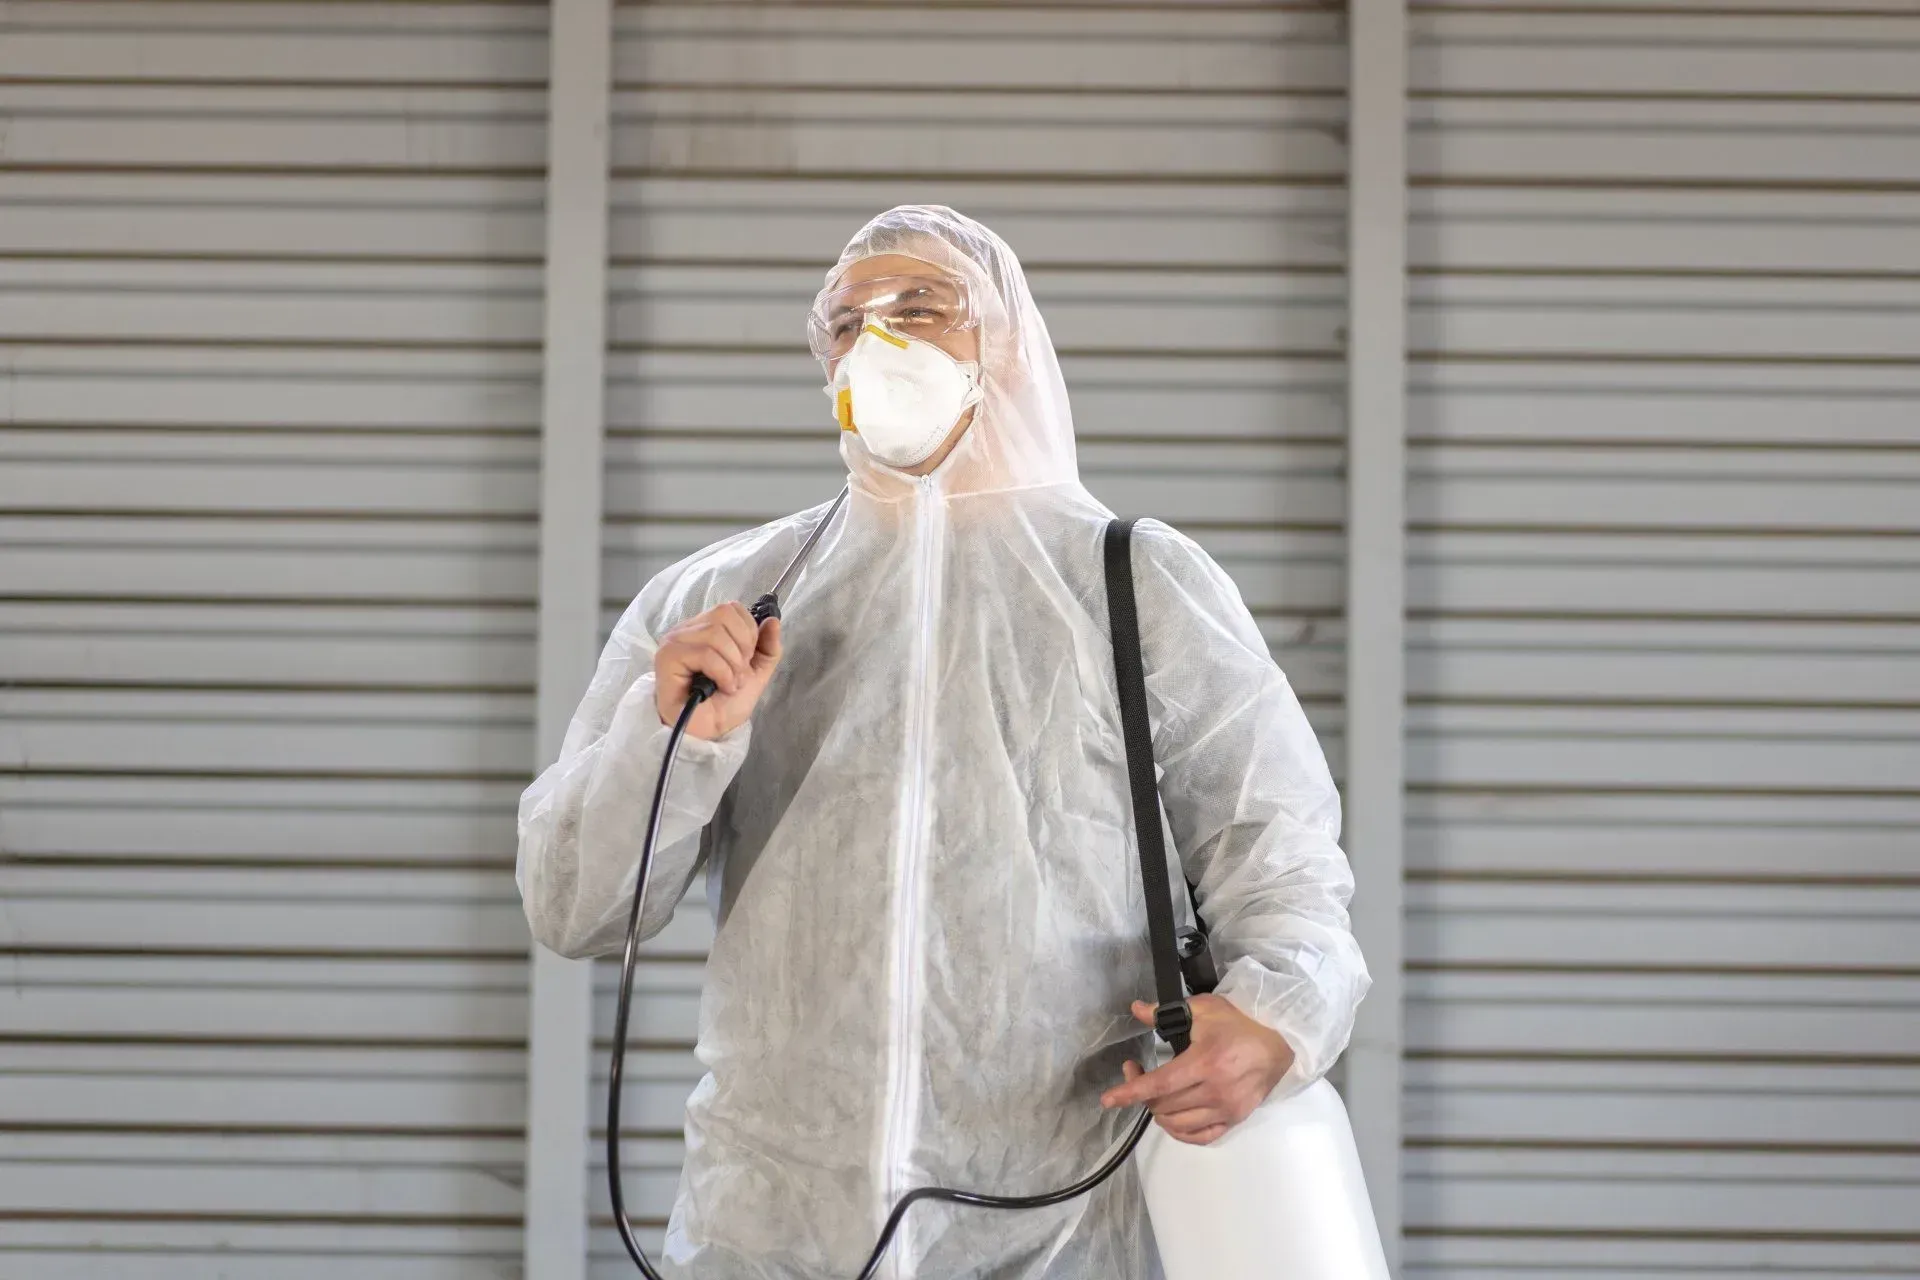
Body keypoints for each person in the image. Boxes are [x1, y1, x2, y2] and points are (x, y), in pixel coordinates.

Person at [517, 206, 1371, 1279]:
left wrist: (1280, 1021)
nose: (877, 342)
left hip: (1051, 1231)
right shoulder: (722, 603)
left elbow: (1282, 859)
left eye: (921, 308)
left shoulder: (1135, 582)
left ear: (1005, 344)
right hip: (769, 1236)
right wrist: (675, 740)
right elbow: (575, 904)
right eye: (847, 323)